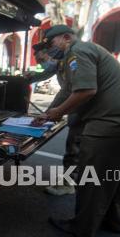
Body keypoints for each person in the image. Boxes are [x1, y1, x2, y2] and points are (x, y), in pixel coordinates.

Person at [35, 25, 120, 237]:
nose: (49, 50)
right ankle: (112, 222)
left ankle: (81, 228)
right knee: (119, 177)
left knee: (92, 180)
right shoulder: (83, 53)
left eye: (50, 44)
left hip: (109, 126)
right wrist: (51, 112)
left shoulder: (76, 52)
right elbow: (67, 90)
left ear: (66, 38)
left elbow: (86, 90)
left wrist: (58, 113)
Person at [26, 43, 80, 196]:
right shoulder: (60, 63)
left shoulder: (72, 59)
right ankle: (73, 181)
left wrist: (55, 112)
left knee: (75, 147)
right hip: (80, 109)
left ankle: (70, 184)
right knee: (76, 147)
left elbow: (75, 90)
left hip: (86, 110)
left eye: (41, 58)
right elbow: (59, 85)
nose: (42, 63)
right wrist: (48, 113)